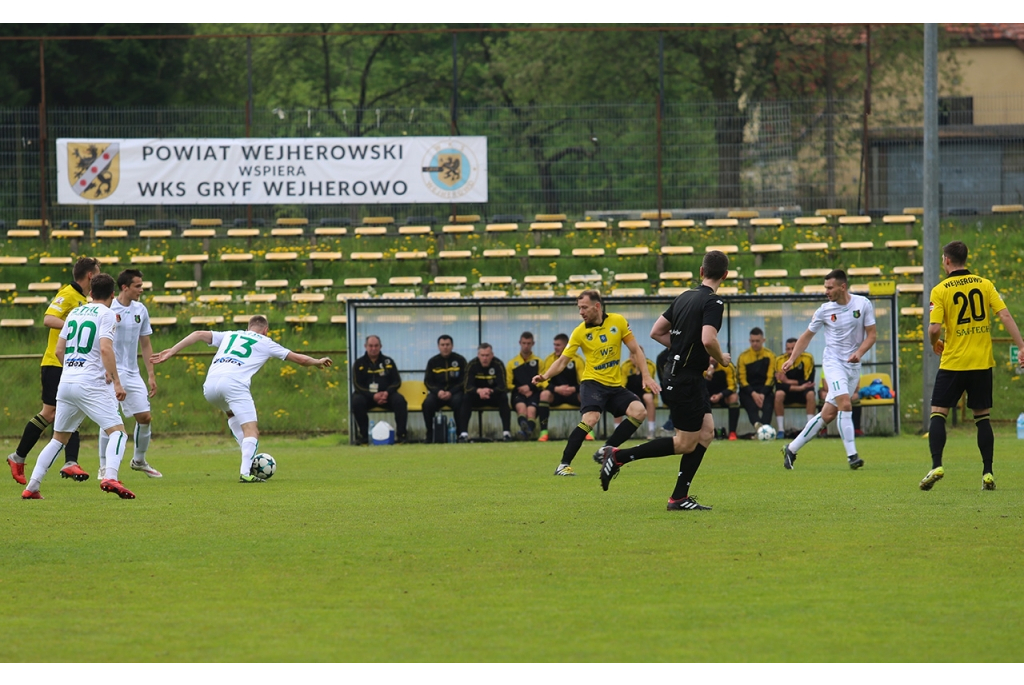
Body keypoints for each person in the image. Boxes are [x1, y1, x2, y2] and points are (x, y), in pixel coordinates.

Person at [593, 250, 730, 511]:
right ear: (725, 275)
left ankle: (679, 497)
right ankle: (619, 456)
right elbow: (708, 339)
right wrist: (721, 358)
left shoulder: (683, 297)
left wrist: (680, 345)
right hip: (685, 380)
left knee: (707, 432)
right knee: (684, 443)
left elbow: (656, 332)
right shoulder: (714, 303)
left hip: (683, 376)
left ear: (701, 272)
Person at [151, 315, 331, 481]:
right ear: (266, 330)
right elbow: (299, 359)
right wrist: (317, 361)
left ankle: (249, 458)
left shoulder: (230, 335)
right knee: (251, 431)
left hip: (210, 386)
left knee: (232, 415)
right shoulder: (266, 342)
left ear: (248, 327)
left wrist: (172, 351)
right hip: (234, 384)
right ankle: (245, 473)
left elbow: (198, 334)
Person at [920, 240, 1024, 491]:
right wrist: (1021, 346)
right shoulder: (984, 284)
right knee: (982, 418)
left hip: (954, 362)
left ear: (946, 260)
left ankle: (936, 465)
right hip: (981, 362)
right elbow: (1005, 315)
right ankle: (987, 472)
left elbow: (934, 328)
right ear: (966, 259)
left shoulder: (940, 290)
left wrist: (935, 342)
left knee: (938, 413)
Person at [21, 274, 133, 499]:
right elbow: (105, 349)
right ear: (112, 295)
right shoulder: (107, 314)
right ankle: (110, 476)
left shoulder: (74, 312)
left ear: (90, 293)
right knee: (118, 433)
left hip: (67, 382)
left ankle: (32, 486)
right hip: (90, 383)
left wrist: (72, 370)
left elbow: (59, 351)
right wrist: (117, 381)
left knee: (58, 439)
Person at [532, 290, 659, 477]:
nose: (580, 312)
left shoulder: (618, 321)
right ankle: (563, 465)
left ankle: (607, 449)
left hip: (614, 386)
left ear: (597, 306)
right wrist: (545, 376)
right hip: (592, 384)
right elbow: (562, 362)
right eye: (579, 308)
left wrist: (646, 376)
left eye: (584, 307)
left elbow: (636, 350)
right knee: (591, 419)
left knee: (639, 411)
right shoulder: (579, 332)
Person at [8, 257, 100, 485]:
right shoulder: (68, 293)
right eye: (98, 272)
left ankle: (70, 462)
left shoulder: (83, 299)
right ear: (90, 275)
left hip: (70, 364)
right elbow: (49, 319)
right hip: (55, 363)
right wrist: (73, 325)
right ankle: (18, 456)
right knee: (50, 413)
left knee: (71, 409)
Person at [781, 270, 876, 471]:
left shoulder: (863, 304)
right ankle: (852, 456)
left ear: (843, 287)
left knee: (829, 414)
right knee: (845, 404)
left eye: (830, 287)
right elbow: (806, 336)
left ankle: (791, 448)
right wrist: (792, 359)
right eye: (825, 287)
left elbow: (872, 336)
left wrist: (859, 352)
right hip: (833, 364)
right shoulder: (824, 310)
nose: (826, 291)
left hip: (852, 366)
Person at [101, 268, 161, 480]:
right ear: (124, 287)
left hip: (133, 372)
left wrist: (151, 374)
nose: (141, 290)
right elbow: (101, 343)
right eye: (138, 286)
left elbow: (145, 343)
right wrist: (105, 369)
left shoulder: (140, 310)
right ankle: (103, 466)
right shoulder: (108, 309)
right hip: (111, 372)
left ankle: (139, 460)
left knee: (145, 417)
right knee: (109, 418)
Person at [350, 335, 407, 445]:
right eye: (370, 346)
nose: (373, 348)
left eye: (376, 346)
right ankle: (364, 437)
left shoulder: (388, 362)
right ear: (365, 346)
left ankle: (402, 436)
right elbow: (357, 385)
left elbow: (397, 382)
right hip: (368, 397)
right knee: (357, 401)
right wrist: (373, 396)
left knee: (400, 400)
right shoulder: (359, 363)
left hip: (386, 397)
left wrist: (386, 393)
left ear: (380, 346)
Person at [458, 343, 512, 442]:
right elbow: (467, 386)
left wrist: (490, 391)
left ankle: (507, 433)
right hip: (477, 396)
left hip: (493, 396)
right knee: (465, 398)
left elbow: (502, 386)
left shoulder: (498, 364)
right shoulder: (472, 365)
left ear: (492, 355)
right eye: (482, 355)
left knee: (504, 398)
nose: (485, 358)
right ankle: (463, 434)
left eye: (487, 355)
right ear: (478, 355)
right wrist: (479, 391)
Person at [536, 333, 584, 442]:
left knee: (585, 395)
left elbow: (584, 381)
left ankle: (588, 431)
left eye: (558, 345)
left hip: (572, 393)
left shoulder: (577, 360)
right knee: (544, 394)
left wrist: (573, 389)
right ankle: (544, 432)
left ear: (566, 346)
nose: (555, 347)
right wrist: (556, 389)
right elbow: (543, 381)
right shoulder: (549, 359)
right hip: (556, 394)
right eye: (554, 345)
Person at [422, 335, 467, 443]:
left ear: (452, 346)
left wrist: (451, 392)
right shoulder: (432, 361)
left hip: (455, 393)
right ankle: (430, 435)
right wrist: (438, 392)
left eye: (447, 345)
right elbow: (428, 381)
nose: (445, 347)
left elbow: (465, 380)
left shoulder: (460, 360)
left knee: (460, 402)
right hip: (438, 394)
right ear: (438, 346)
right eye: (442, 345)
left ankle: (460, 435)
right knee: (427, 403)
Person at [772, 337, 816, 439]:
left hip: (803, 393)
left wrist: (787, 381)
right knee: (778, 394)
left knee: (810, 394)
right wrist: (800, 387)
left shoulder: (808, 358)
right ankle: (781, 430)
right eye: (788, 349)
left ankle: (809, 430)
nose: (790, 352)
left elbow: (808, 382)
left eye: (793, 348)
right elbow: (779, 385)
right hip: (788, 393)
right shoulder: (779, 360)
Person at [737, 327, 775, 435]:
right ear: (749, 341)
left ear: (763, 340)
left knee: (768, 405)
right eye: (752, 341)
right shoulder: (743, 357)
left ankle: (762, 432)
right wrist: (753, 394)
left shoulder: (770, 355)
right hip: (748, 391)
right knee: (751, 406)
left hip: (765, 390)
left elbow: (771, 377)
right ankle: (760, 429)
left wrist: (762, 394)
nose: (755, 344)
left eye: (757, 341)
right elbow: (741, 379)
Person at [507, 331, 542, 440]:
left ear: (533, 344)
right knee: (521, 409)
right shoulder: (512, 363)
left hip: (534, 392)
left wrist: (530, 388)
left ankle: (525, 433)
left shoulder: (539, 362)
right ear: (520, 343)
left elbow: (543, 380)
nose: (526, 346)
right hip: (518, 393)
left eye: (528, 343)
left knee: (531, 412)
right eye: (524, 343)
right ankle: (527, 432)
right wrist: (520, 389)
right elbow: (507, 383)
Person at [620, 348, 659, 439]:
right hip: (629, 392)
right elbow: (622, 385)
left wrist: (639, 370)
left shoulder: (650, 365)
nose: (636, 359)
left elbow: (650, 387)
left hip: (645, 391)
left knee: (648, 397)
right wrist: (631, 395)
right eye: (633, 357)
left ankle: (651, 430)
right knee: (618, 399)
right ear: (630, 357)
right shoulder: (625, 366)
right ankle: (618, 430)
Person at [705, 358, 740, 440]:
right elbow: (698, 386)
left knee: (734, 397)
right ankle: (707, 432)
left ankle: (732, 432)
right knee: (698, 399)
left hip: (722, 396)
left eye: (714, 356)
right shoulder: (701, 366)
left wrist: (720, 395)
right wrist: (707, 377)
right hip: (706, 396)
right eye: (710, 356)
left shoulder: (727, 365)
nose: (712, 359)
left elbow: (733, 387)